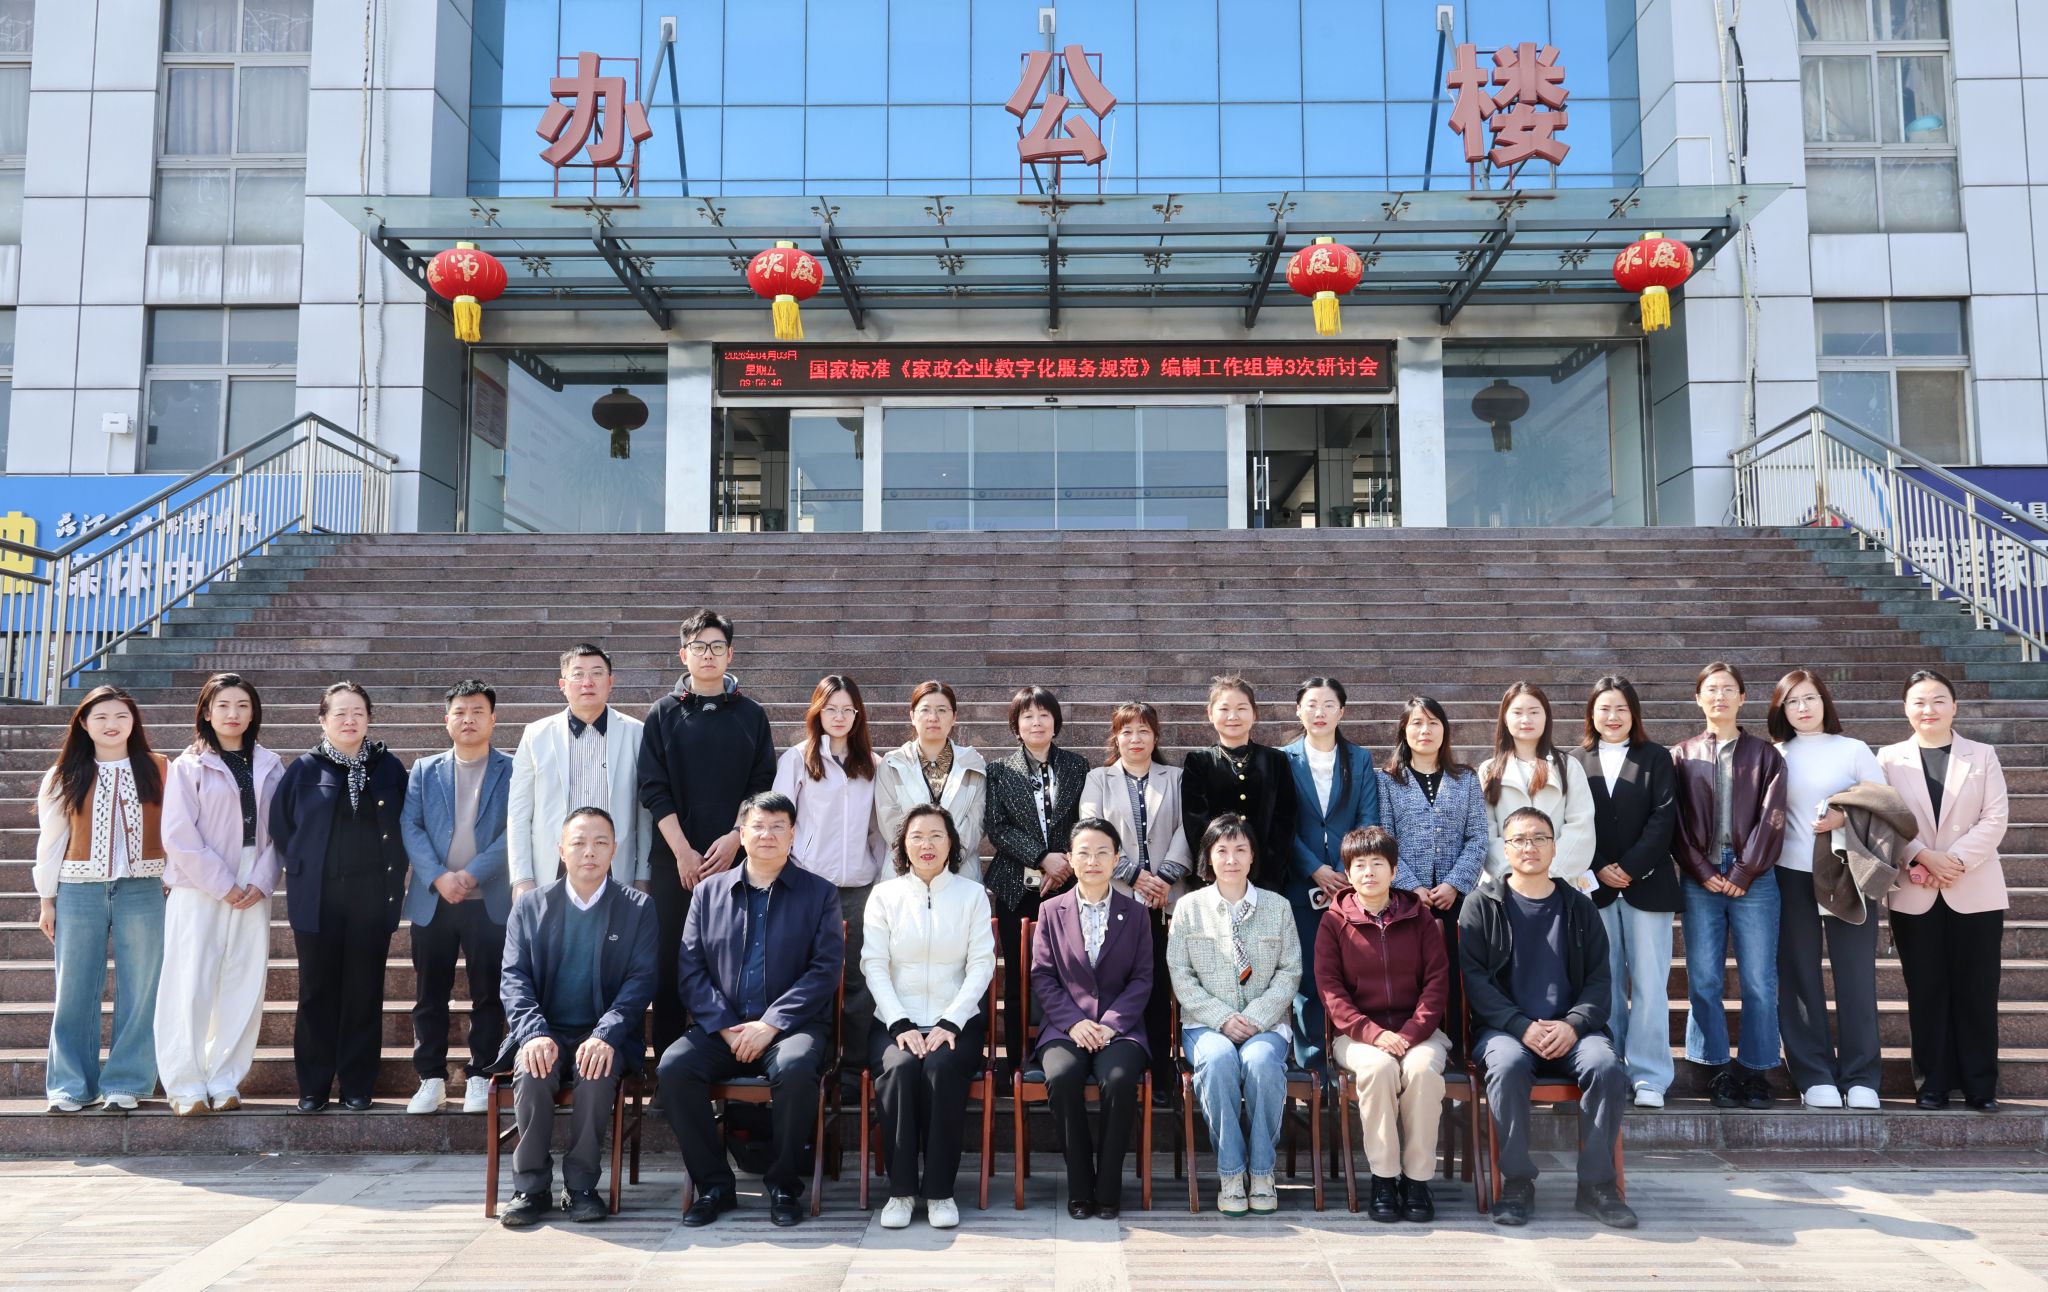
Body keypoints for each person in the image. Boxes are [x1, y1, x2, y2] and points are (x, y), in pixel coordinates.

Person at [660, 792, 845, 1229]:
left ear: (793, 834)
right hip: (721, 1028)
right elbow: (691, 970)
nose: (767, 835)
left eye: (778, 827)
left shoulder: (819, 893)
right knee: (674, 1067)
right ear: (741, 834)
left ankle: (783, 1184)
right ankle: (714, 1186)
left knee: (797, 1068)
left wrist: (771, 1024)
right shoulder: (708, 893)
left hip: (791, 1028)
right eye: (758, 826)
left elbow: (824, 971)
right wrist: (726, 1027)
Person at [1460, 807, 1635, 1230]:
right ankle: (1517, 1184)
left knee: (1606, 1066)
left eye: (1539, 838)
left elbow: (1600, 981)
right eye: (1519, 839)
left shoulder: (1579, 907)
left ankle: (1597, 1186)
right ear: (1505, 849)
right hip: (1506, 1030)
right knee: (1507, 1065)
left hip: (1574, 1031)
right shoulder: (1481, 906)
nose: (1530, 847)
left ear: (1555, 847)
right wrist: (1521, 1026)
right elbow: (1475, 982)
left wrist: (1573, 1024)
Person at [495, 807, 660, 1229]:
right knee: (532, 1070)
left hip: (604, 1034)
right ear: (561, 850)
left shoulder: (637, 907)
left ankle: (582, 1186)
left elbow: (640, 981)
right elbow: (513, 978)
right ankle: (530, 1188)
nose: (590, 852)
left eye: (600, 843)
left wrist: (605, 1035)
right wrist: (533, 1033)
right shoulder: (530, 906)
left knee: (596, 1070)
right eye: (579, 843)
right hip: (544, 1030)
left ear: (614, 850)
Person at [640, 610, 778, 1059]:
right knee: (669, 965)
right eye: (699, 647)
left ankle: (728, 1063)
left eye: (717, 646)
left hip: (736, 861)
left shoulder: (751, 715)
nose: (708, 654)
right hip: (673, 863)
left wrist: (737, 836)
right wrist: (682, 851)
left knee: (729, 964)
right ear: (684, 654)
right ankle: (667, 1067)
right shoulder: (663, 713)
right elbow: (653, 788)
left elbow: (761, 784)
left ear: (730, 654)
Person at [270, 681, 410, 1112]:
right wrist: (307, 863)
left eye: (358, 713)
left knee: (364, 990)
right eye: (340, 714)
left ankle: (357, 1084)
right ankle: (313, 1086)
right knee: (317, 990)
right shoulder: (304, 769)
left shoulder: (388, 767)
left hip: (372, 894)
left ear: (369, 718)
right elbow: (281, 826)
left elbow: (407, 823)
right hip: (318, 896)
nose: (350, 721)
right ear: (323, 720)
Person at [861, 804, 997, 1230]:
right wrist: (899, 1022)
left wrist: (952, 1020)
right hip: (894, 1021)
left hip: (955, 1022)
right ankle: (901, 1192)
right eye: (917, 836)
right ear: (902, 844)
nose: (927, 844)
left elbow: (981, 964)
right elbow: (874, 964)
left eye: (937, 835)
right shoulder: (884, 895)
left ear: (952, 843)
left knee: (940, 1069)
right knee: (900, 1069)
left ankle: (939, 1192)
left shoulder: (971, 895)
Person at [1879, 668, 2010, 1110]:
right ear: (1905, 709)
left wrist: (1952, 861)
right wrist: (1921, 855)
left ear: (1954, 706)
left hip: (1974, 887)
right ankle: (1931, 1083)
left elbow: (1995, 818)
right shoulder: (1888, 759)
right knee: (1926, 989)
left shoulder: (1982, 755)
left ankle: (1980, 1086)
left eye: (1938, 700)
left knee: (1977, 989)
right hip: (1915, 891)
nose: (1928, 709)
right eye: (1918, 701)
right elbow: (1885, 818)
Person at [34, 686, 168, 1114]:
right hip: (78, 889)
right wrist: (47, 900)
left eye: (121, 716)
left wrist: (173, 879)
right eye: (101, 717)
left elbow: (177, 829)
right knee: (74, 988)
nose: (112, 725)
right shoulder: (63, 774)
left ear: (134, 722)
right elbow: (51, 841)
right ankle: (70, 1085)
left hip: (143, 889)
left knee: (141, 988)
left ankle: (127, 1081)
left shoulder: (160, 768)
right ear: (83, 723)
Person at [157, 673, 282, 1116]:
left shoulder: (272, 764)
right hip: (199, 881)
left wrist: (262, 879)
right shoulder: (188, 765)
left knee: (243, 980)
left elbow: (283, 831)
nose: (234, 714)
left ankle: (225, 1078)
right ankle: (185, 1083)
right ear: (207, 713)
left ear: (254, 713)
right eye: (224, 705)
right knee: (190, 980)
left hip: (254, 878)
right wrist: (222, 884)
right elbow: (178, 834)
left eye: (243, 705)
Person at [1167, 815, 1302, 1217]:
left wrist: (1257, 1018)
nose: (1231, 859)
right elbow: (1181, 975)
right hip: (1205, 1024)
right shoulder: (1188, 908)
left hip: (1266, 1024)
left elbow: (1290, 971)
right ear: (1208, 857)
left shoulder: (1278, 907)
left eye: (1240, 849)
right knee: (1219, 1059)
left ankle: (1261, 1172)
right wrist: (1223, 1018)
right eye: (1222, 850)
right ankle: (1230, 1173)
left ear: (1252, 856)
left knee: (1261, 1062)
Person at [1768, 668, 1888, 1111]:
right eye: (1792, 701)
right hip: (1790, 874)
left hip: (1846, 874)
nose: (1803, 707)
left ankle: (1861, 1076)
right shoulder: (1774, 755)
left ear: (1825, 702)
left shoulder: (1853, 749)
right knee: (1798, 975)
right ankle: (1813, 1073)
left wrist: (1845, 817)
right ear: (1781, 709)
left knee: (1855, 975)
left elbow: (1887, 806)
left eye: (1810, 698)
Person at [1671, 660, 1788, 1110]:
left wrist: (1744, 870)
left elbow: (1773, 816)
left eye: (1728, 689)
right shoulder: (1681, 755)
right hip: (1699, 877)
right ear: (1698, 699)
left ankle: (1756, 1071)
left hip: (1754, 877)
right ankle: (1717, 1068)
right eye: (1711, 689)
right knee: (1704, 976)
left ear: (1742, 698)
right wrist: (1701, 869)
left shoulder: (1766, 755)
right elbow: (1675, 822)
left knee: (1759, 979)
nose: (1719, 697)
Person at [1318, 826, 1449, 1224]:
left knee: (1422, 1071)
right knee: (1377, 1069)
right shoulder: (1333, 922)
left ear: (1394, 871)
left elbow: (1437, 983)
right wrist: (1375, 1034)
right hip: (1357, 1036)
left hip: (1419, 1033)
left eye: (1378, 863)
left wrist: (1409, 1034)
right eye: (1360, 865)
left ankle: (1417, 1180)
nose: (1369, 872)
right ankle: (1384, 1178)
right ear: (1348, 873)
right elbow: (1331, 991)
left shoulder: (1420, 917)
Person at [1029, 817, 1153, 1220]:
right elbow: (1043, 976)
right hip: (1065, 1027)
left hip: (1121, 1028)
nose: (1093, 861)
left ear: (1117, 859)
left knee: (1118, 1080)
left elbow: (1143, 978)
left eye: (1103, 852)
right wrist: (1074, 1022)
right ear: (1070, 858)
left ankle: (1109, 1187)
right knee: (1062, 1076)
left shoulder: (1136, 914)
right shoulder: (1051, 911)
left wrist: (1112, 1023)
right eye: (1084, 853)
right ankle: (1080, 1185)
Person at [400, 679, 514, 1115]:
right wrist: (439, 877)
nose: (468, 719)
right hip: (435, 901)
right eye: (460, 712)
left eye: (478, 711)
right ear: (446, 719)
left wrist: (470, 873)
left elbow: (514, 831)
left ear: (493, 719)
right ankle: (430, 1078)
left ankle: (481, 1074)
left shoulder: (513, 768)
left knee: (489, 994)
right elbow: (411, 826)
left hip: (490, 901)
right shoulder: (424, 770)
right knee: (431, 994)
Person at [1572, 676, 1680, 1108]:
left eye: (1620, 708)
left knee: (1651, 985)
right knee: (1604, 982)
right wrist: (1598, 866)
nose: (1612, 717)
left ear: (1633, 713)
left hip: (1648, 886)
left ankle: (1650, 1075)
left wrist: (1630, 867)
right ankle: (1609, 1068)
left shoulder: (1656, 758)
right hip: (1594, 888)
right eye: (1604, 708)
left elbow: (1664, 818)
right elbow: (1573, 821)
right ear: (1591, 714)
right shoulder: (1575, 761)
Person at [774, 675, 889, 1078]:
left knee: (859, 980)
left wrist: (877, 873)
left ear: (858, 715)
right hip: (810, 886)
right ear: (817, 712)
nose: (839, 717)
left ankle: (854, 1068)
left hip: (859, 888)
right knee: (811, 977)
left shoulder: (873, 765)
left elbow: (879, 829)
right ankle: (812, 1065)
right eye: (831, 709)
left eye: (847, 710)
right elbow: (780, 820)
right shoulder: (797, 759)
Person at [1079, 700, 1191, 1097]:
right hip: (1118, 897)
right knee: (1122, 986)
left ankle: (1160, 1074)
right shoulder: (1099, 779)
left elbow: (1188, 828)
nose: (1135, 738)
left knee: (1159, 986)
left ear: (1155, 736)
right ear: (1116, 737)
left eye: (1144, 730)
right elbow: (1092, 829)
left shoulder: (1176, 777)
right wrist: (1134, 875)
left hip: (1166, 901)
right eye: (1127, 731)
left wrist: (1164, 878)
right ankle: (1118, 1067)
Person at [984, 686, 1089, 1075]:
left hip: (1066, 887)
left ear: (1055, 722)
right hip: (1016, 889)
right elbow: (997, 827)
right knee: (1017, 977)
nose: (1037, 722)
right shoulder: (999, 770)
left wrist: (1066, 862)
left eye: (1044, 715)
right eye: (1027, 716)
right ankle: (1016, 1061)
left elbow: (1086, 820)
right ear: (1016, 725)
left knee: (1068, 974)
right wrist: (1042, 857)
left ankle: (1064, 1055)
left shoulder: (1077, 766)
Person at [1375, 696, 1487, 1052]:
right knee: (1411, 976)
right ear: (1404, 730)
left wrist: (1455, 883)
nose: (1425, 730)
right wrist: (1411, 886)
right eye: (1417, 723)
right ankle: (1411, 1045)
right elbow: (1384, 837)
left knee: (1455, 975)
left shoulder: (1465, 779)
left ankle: (1458, 1052)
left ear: (1444, 730)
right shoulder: (1387, 780)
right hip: (1405, 901)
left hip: (1455, 900)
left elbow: (1478, 836)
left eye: (1433, 723)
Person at [1280, 677, 1379, 1070]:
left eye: (1328, 705)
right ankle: (1311, 1065)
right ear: (1298, 710)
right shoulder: (1283, 759)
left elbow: (1367, 818)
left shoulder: (1359, 759)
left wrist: (1343, 869)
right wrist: (1314, 868)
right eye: (1311, 704)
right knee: (1306, 976)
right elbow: (1281, 824)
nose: (1319, 712)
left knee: (1352, 973)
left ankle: (1352, 1055)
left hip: (1351, 884)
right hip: (1300, 882)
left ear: (1342, 711)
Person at [508, 642, 651, 900]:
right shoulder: (536, 735)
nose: (587, 682)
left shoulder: (636, 733)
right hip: (551, 868)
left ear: (610, 682)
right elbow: (519, 813)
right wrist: (522, 878)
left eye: (597, 673)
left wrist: (643, 876)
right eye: (578, 674)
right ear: (563, 685)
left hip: (616, 867)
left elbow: (645, 813)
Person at [1182, 675, 1298, 893]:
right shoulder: (1199, 762)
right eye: (1224, 709)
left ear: (1254, 713)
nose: (1233, 716)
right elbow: (1196, 823)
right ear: (1210, 713)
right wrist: (1219, 866)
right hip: (1214, 879)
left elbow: (1285, 821)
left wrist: (1267, 870)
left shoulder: (1275, 760)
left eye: (1242, 708)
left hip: (1267, 878)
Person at [1478, 682, 1595, 886]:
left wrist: (1551, 873)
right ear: (1505, 718)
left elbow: (1581, 825)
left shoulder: (1568, 766)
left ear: (1546, 717)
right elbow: (1485, 829)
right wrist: (1511, 873)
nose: (1526, 719)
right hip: (1505, 883)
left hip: (1560, 882)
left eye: (1534, 712)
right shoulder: (1489, 770)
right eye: (1517, 712)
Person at [875, 679, 989, 882]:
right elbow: (890, 821)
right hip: (905, 877)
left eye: (942, 710)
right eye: (925, 710)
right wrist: (919, 861)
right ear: (912, 716)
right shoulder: (892, 764)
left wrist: (948, 860)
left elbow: (975, 822)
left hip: (960, 875)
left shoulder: (973, 764)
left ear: (954, 717)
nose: (933, 718)